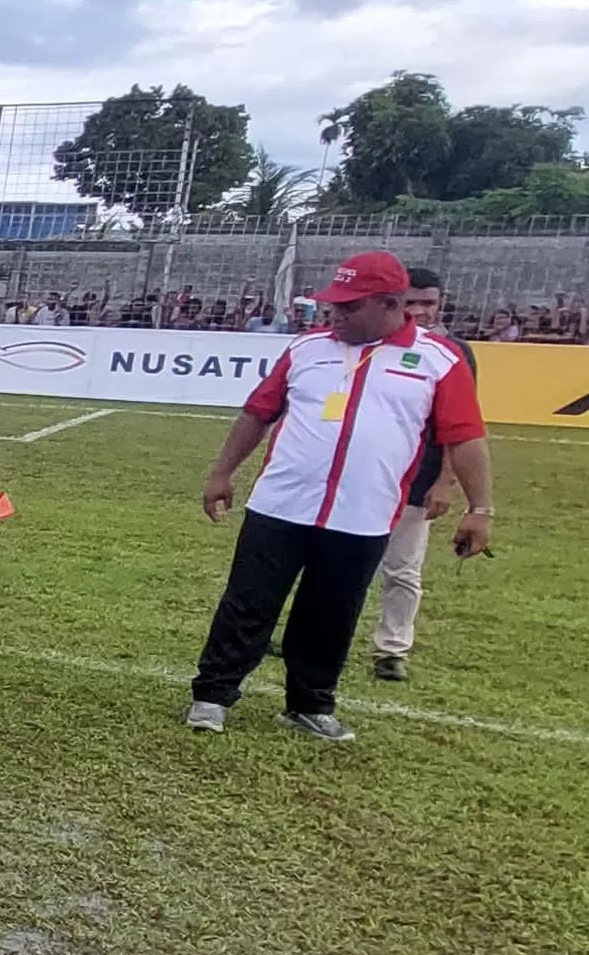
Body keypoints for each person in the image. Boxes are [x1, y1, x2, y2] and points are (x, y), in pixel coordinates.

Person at [186, 252, 496, 741]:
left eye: (350, 306)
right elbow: (257, 413)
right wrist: (222, 473)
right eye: (333, 304)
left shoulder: (439, 360)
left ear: (390, 305)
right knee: (247, 602)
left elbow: (465, 437)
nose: (335, 314)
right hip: (279, 505)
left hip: (364, 513)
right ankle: (213, 696)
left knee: (331, 613)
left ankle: (310, 703)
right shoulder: (307, 348)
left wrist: (479, 508)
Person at [368, 268, 477, 682]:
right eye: (410, 302)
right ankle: (307, 635)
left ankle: (391, 650)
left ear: (441, 304)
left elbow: (461, 428)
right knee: (328, 561)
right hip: (363, 475)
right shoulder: (371, 343)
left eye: (428, 303)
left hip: (418, 479)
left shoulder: (454, 353)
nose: (419, 311)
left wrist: (445, 480)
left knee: (402, 568)